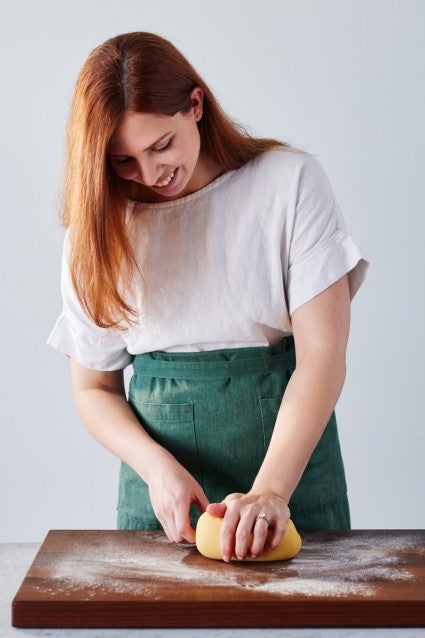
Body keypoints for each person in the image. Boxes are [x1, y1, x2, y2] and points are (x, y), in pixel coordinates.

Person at [48, 31, 368, 562]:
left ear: (195, 105)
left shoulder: (289, 184)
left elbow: (324, 356)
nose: (151, 175)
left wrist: (271, 493)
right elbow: (93, 389)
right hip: (165, 501)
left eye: (161, 146)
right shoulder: (97, 230)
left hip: (293, 485)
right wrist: (155, 468)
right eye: (124, 161)